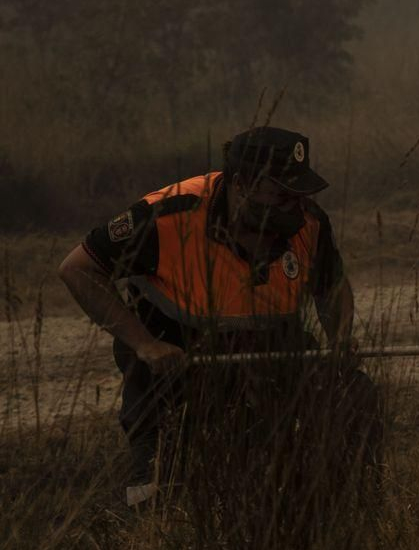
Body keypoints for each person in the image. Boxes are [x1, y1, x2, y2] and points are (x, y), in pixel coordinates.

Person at [57, 127, 380, 507]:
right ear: (242, 183)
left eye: (300, 194)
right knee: (160, 491)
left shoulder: (309, 221)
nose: (295, 205)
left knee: (352, 395)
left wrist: (340, 338)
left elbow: (332, 285)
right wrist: (145, 345)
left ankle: (344, 507)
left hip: (271, 349)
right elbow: (77, 269)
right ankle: (148, 536)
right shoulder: (167, 213)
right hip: (175, 359)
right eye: (281, 194)